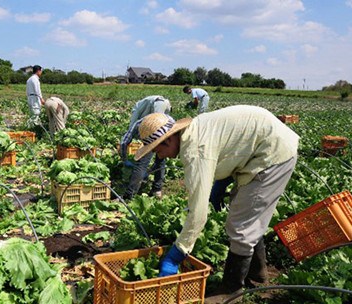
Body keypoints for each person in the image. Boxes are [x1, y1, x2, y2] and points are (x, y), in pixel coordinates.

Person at [134, 105, 299, 298]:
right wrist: (220, 184)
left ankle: (231, 290)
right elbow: (229, 145)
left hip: (273, 153)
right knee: (247, 214)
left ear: (169, 138)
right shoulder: (195, 131)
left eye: (157, 149)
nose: (158, 156)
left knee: (241, 225)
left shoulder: (195, 151)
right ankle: (257, 273)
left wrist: (177, 254)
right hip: (262, 146)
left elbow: (198, 214)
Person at [120, 95, 172, 200]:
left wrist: (124, 158)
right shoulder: (165, 119)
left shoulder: (137, 122)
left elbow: (125, 141)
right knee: (160, 159)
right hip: (165, 105)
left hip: (159, 106)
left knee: (142, 163)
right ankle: (157, 190)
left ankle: (129, 195)